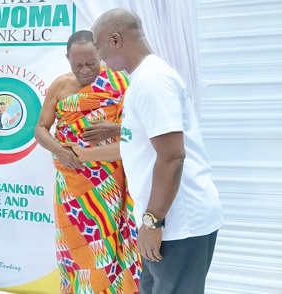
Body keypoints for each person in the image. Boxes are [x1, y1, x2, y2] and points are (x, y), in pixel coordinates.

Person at [92, 8, 223, 294]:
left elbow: (172, 156)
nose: (99, 57)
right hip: (163, 220)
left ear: (115, 40)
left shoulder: (152, 82)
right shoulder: (144, 78)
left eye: (99, 47)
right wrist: (116, 130)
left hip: (178, 223)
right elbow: (151, 138)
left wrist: (153, 222)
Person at [34, 30, 140, 294]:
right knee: (74, 245)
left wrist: (113, 130)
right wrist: (60, 150)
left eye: (91, 63)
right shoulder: (59, 86)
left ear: (100, 55)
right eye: (77, 64)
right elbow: (40, 129)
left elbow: (140, 129)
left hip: (108, 181)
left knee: (106, 242)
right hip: (70, 181)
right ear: (67, 58)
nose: (85, 70)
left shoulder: (120, 83)